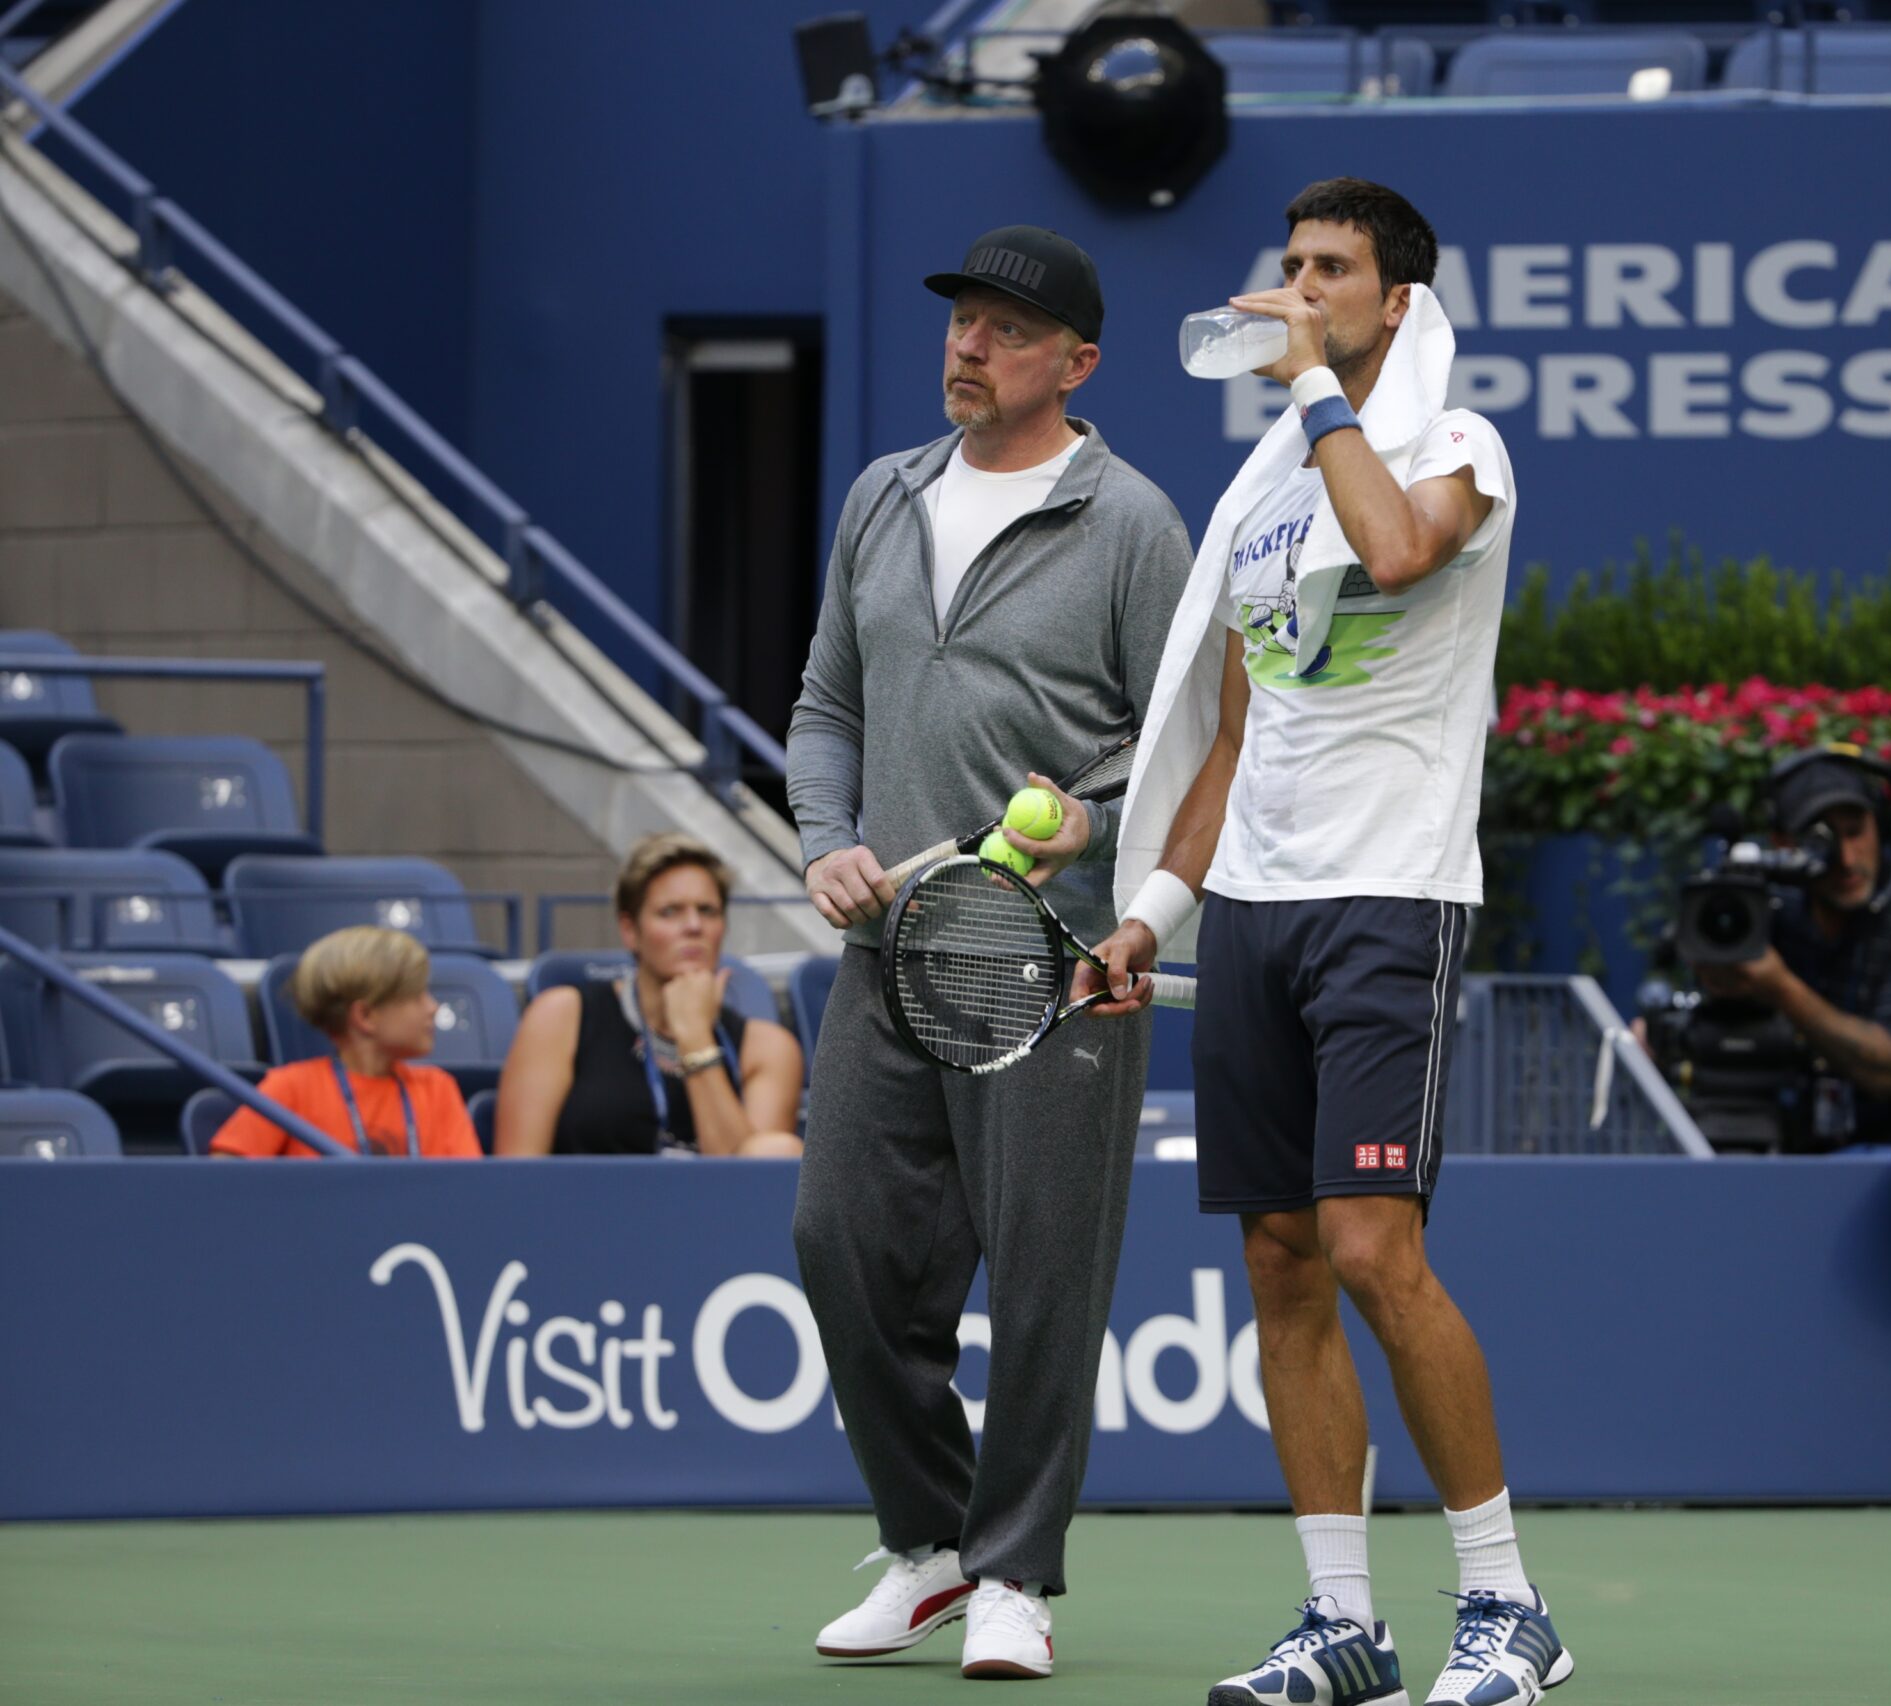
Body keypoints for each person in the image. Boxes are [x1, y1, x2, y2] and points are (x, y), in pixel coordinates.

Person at [1091, 178, 1569, 1706]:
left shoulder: (1458, 445)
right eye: (1288, 266)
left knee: (1373, 1246)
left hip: (1390, 893)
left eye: (1331, 269)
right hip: (1254, 907)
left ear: (1399, 297)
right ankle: (1340, 1619)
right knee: (1282, 1263)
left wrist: (1307, 386)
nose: (1297, 287)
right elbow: (1238, 732)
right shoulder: (1262, 492)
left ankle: (1505, 1605)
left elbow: (1405, 551)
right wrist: (1153, 910)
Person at [784, 225, 1190, 1680]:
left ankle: (1018, 1570)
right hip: (889, 956)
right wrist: (824, 833)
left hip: (1060, 961)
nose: (969, 344)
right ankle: (935, 1545)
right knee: (839, 1244)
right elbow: (828, 701)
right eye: (962, 319)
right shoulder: (881, 496)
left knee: (1042, 1279)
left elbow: (1194, 748)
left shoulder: (1135, 520)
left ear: (1076, 364)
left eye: (1009, 331)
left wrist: (1092, 822)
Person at [1637, 747, 1891, 1149]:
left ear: (1881, 827)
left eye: (1855, 831)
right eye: (1820, 840)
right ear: (1783, 843)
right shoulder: (1767, 905)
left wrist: (1781, 989)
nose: (1845, 859)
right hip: (1788, 1138)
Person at [494, 833, 802, 1158]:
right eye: (670, 912)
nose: (694, 926)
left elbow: (746, 1187)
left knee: (778, 1150)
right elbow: (517, 1174)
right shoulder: (560, 1015)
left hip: (704, 1208)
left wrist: (696, 1039)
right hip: (586, 1206)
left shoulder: (768, 1049)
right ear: (630, 930)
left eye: (708, 910)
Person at [211, 925, 479, 1158]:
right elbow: (225, 1175)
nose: (432, 1007)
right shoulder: (292, 1087)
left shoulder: (438, 1089)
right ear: (365, 1015)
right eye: (416, 996)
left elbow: (469, 1190)